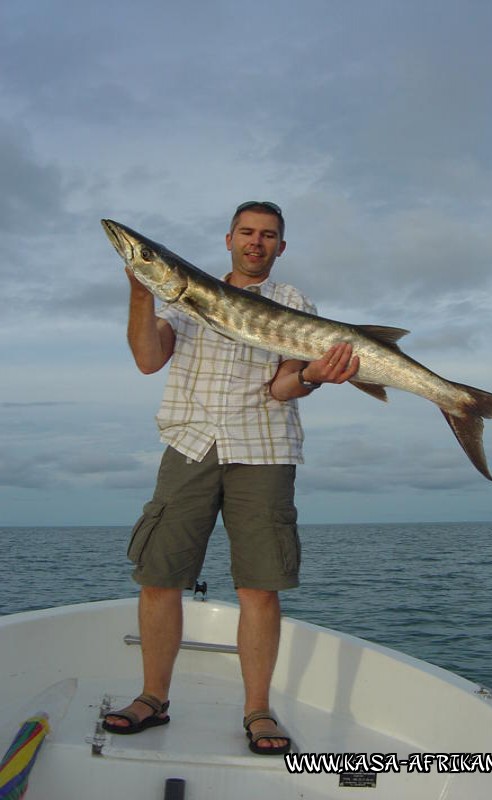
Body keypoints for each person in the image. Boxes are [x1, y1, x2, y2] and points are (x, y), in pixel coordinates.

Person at [103, 201, 359, 754]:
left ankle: (258, 711)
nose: (256, 242)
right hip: (190, 443)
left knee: (259, 587)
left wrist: (314, 375)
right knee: (159, 577)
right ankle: (152, 698)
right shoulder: (183, 296)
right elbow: (149, 359)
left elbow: (282, 388)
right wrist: (141, 289)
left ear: (281, 247)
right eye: (247, 232)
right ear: (228, 239)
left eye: (268, 235)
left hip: (265, 449)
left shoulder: (292, 303)